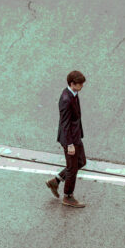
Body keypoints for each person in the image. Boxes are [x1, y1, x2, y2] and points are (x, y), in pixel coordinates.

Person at [46, 70, 87, 208]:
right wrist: (69, 144)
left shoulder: (73, 94)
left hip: (75, 136)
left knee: (80, 161)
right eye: (80, 84)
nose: (82, 86)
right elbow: (65, 123)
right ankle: (68, 196)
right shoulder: (66, 99)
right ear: (72, 84)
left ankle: (56, 180)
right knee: (72, 168)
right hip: (70, 139)